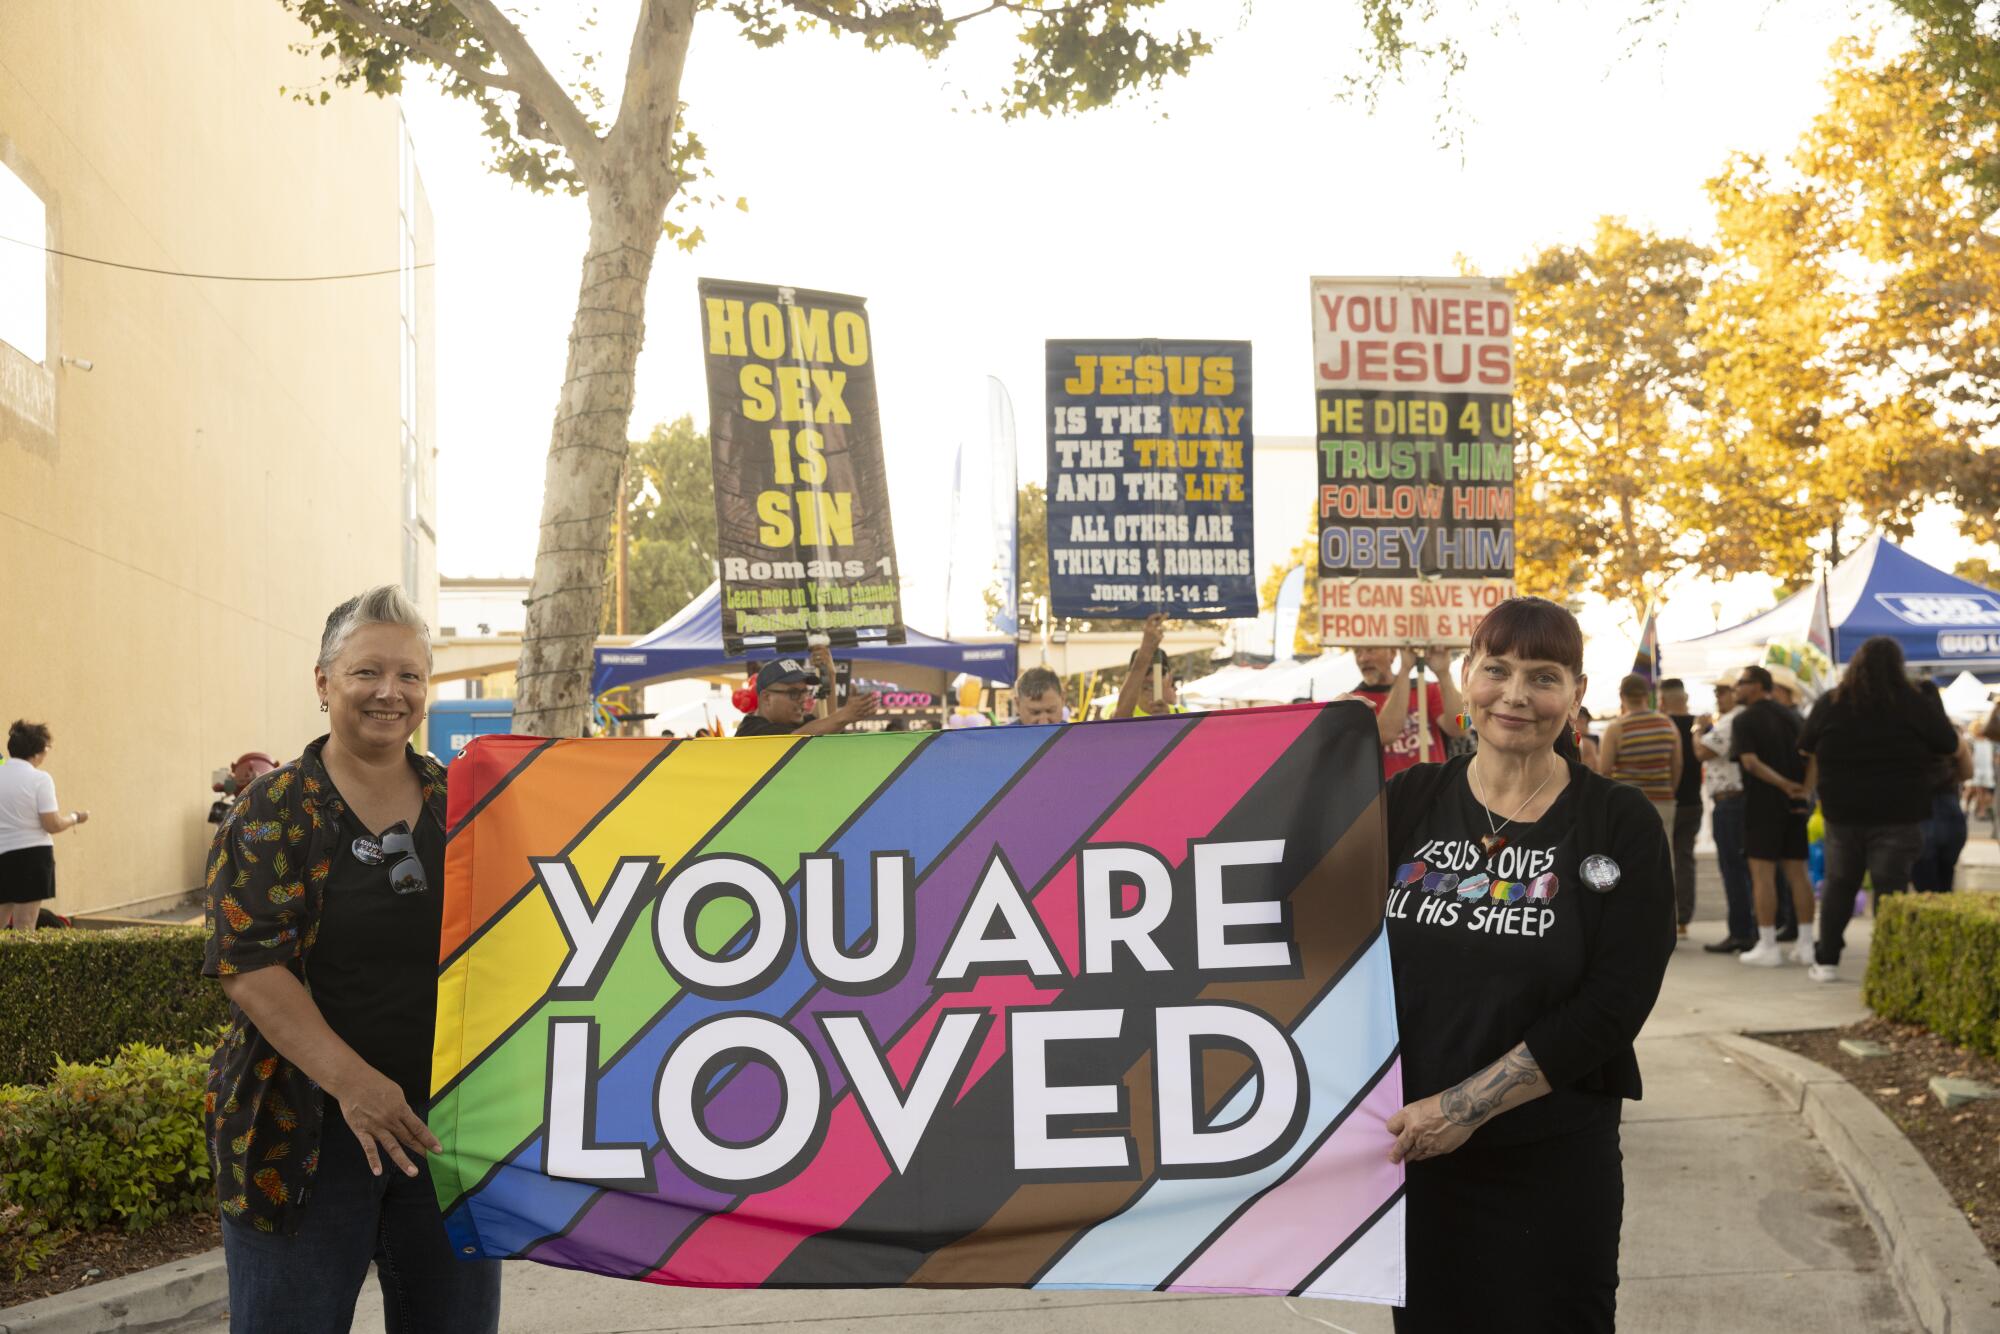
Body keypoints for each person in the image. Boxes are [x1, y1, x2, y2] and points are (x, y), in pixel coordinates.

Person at [201, 586, 501, 1334]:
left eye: (409, 676)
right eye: (368, 672)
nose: (389, 693)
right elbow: (249, 965)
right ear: (323, 682)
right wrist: (356, 1086)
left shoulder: (462, 802)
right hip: (297, 1140)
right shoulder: (271, 810)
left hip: (447, 1135)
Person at [1382, 596, 1673, 1334]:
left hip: (1550, 1160)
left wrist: (1466, 1107)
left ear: (1576, 693)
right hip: (1414, 1155)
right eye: (1497, 670)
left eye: (1543, 676)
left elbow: (1616, 1001)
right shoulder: (1410, 801)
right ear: (1467, 677)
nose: (1515, 695)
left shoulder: (1616, 820)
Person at [1796, 639, 1960, 980]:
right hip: (1900, 811)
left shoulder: (1833, 702)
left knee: (1840, 884)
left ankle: (1827, 961)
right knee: (1891, 886)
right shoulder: (1914, 702)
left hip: (1843, 813)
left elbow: (1805, 745)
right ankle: (1890, 965)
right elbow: (1948, 743)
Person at [1729, 665, 1816, 968]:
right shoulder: (1794, 716)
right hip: (1795, 806)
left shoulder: (1744, 720)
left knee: (1762, 875)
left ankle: (1768, 945)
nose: (1736, 689)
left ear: (1757, 686)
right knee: (1798, 873)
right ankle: (1806, 943)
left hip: (1762, 805)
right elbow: (1814, 756)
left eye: (1741, 683)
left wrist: (1783, 784)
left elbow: (1750, 763)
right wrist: (1804, 790)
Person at [0, 721, 88, 931]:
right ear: (37, 752)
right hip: (33, 857)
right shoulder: (40, 779)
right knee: (25, 926)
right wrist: (75, 817)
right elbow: (52, 824)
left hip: (2, 854)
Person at [1697, 682, 1758, 953]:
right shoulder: (1744, 719)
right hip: (1741, 801)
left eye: (1723, 692)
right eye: (1716, 693)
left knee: (1734, 869)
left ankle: (1741, 931)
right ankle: (1752, 929)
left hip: (1730, 801)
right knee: (1745, 869)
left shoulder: (1732, 720)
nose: (1718, 698)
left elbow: (1702, 752)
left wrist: (1698, 729)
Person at [1596, 674, 1682, 857]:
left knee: (1629, 855)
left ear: (1622, 696)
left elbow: (1604, 771)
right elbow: (1678, 764)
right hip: (1663, 799)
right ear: (1647, 695)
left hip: (1627, 802)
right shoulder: (1668, 723)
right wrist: (1669, 791)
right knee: (1663, 855)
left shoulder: (1616, 727)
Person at [1351, 643, 1466, 776]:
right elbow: (1386, 735)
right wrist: (1405, 670)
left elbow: (1462, 727)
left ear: (1393, 653)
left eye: (1370, 650)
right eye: (1357, 652)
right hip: (1392, 793)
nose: (1362, 658)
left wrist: (1444, 674)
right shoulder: (1355, 700)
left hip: (1435, 789)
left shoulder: (1425, 687)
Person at [1909, 680, 1974, 894]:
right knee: (1945, 889)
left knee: (1925, 892)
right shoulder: (1950, 733)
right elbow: (1968, 772)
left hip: (1918, 813)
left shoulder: (1904, 732)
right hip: (1950, 811)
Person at [735, 646, 880, 737]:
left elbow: (825, 719)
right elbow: (796, 738)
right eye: (794, 693)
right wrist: (844, 716)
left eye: (805, 692)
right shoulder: (751, 731)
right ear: (767, 697)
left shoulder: (794, 722)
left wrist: (830, 674)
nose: (803, 699)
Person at [1657, 679, 1704, 937]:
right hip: (1693, 802)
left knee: (1661, 860)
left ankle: (1663, 918)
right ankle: (1683, 921)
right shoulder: (1701, 726)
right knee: (1685, 860)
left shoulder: (1661, 725)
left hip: (1664, 799)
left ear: (1662, 700)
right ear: (1686, 697)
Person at [1111, 613, 1184, 720]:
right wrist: (1146, 650)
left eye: (1161, 672)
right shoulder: (1112, 708)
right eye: (1145, 671)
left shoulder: (1183, 715)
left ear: (1169, 679)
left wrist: (1169, 722)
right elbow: (1119, 721)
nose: (1152, 678)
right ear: (1128, 678)